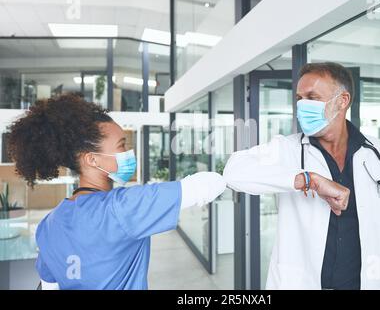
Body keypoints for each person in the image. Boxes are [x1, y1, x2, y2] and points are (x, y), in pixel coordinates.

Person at [223, 62, 380, 290]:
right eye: (299, 98)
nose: (302, 106)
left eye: (312, 97)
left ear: (342, 101)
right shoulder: (287, 149)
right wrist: (309, 180)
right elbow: (233, 172)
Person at [7, 93, 226, 290]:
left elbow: (48, 286)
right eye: (121, 146)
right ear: (91, 159)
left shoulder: (48, 225)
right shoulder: (120, 209)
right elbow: (203, 187)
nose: (128, 153)